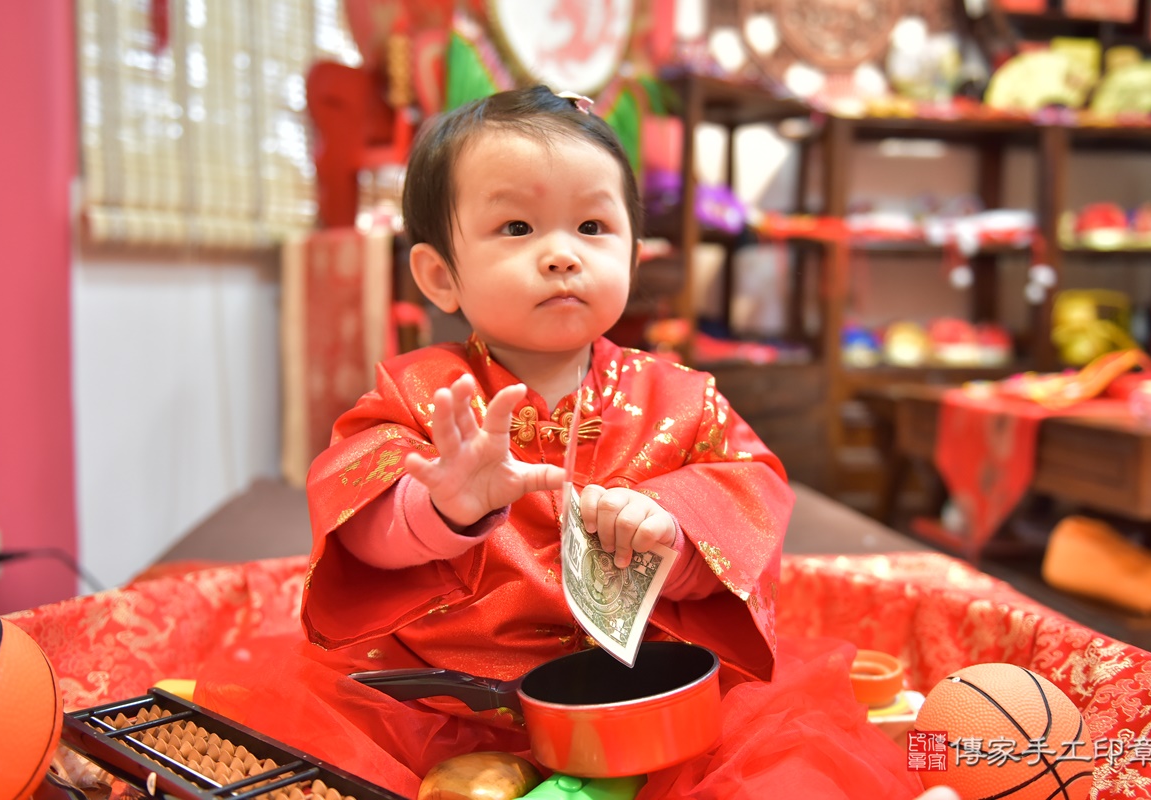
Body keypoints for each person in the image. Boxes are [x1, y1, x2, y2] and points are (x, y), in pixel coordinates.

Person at [196, 85, 928, 799]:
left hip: (645, 698)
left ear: (635, 255)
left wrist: (674, 539)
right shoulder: (424, 394)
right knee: (295, 753)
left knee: (781, 766)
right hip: (442, 706)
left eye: (591, 228)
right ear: (439, 275)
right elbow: (357, 524)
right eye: (516, 229)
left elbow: (751, 501)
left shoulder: (680, 397)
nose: (560, 255)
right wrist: (439, 507)